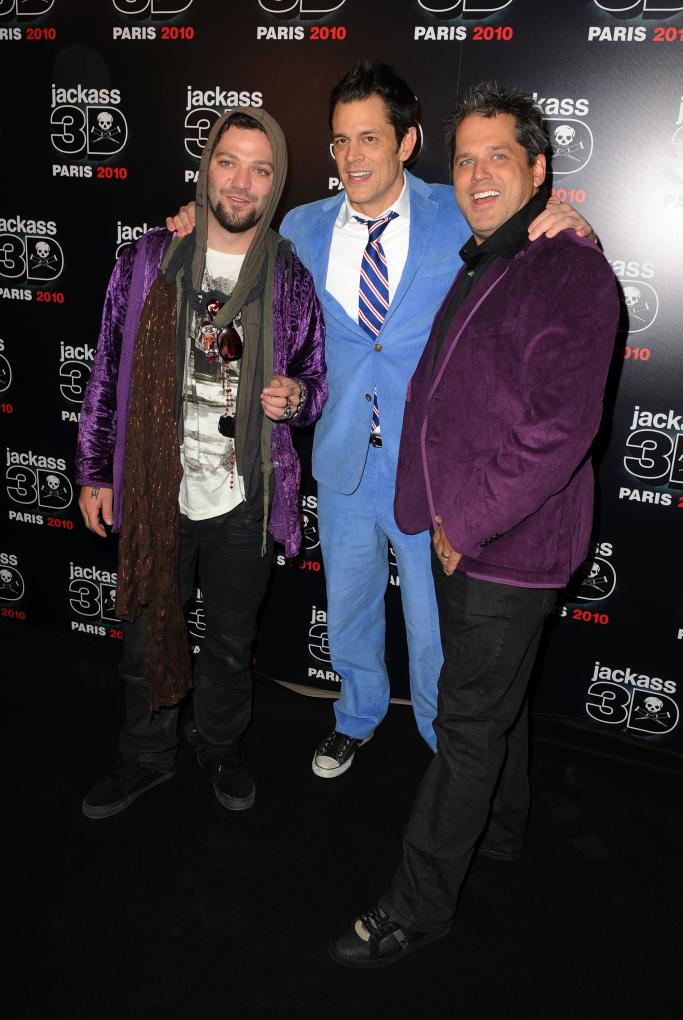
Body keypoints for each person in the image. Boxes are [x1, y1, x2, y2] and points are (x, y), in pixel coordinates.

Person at [168, 62, 594, 779]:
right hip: (340, 459)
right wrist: (189, 217)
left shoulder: (457, 208)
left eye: (370, 137)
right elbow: (226, 237)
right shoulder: (298, 228)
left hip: (430, 466)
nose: (353, 156)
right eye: (340, 141)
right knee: (351, 604)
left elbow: (524, 228)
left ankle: (438, 737)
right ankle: (356, 716)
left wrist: (572, 218)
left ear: (406, 142)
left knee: (433, 624)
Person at [328, 82, 619, 968]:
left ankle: (416, 907)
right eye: (464, 158)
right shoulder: (486, 254)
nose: (478, 172)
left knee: (464, 725)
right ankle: (499, 832)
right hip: (462, 534)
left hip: (506, 547)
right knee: (492, 711)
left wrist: (464, 523)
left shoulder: (569, 267)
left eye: (500, 155)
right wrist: (431, 514)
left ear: (539, 168)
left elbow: (556, 433)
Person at [76, 108, 326, 820]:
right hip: (156, 486)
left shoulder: (289, 276)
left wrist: (299, 395)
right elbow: (105, 371)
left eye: (260, 168)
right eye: (228, 162)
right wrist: (96, 471)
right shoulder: (149, 257)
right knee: (146, 633)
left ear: (274, 183)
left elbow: (315, 376)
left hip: (243, 495)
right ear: (205, 167)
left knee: (228, 642)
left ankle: (218, 744)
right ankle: (146, 757)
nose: (241, 182)